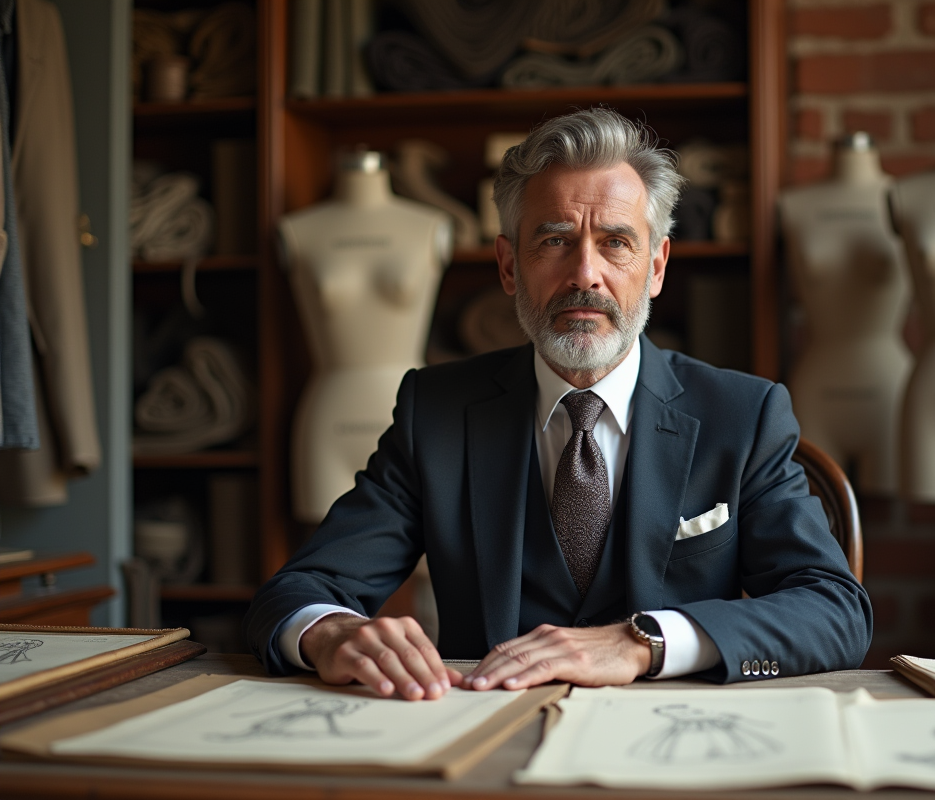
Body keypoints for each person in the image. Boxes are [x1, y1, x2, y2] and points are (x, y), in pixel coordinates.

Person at [245, 108, 872, 701]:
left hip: (673, 741)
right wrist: (330, 632)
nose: (585, 274)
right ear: (508, 266)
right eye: (553, 240)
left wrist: (645, 642)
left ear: (656, 267)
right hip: (487, 737)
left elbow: (835, 611)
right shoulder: (434, 413)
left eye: (616, 242)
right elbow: (299, 591)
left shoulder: (743, 415)